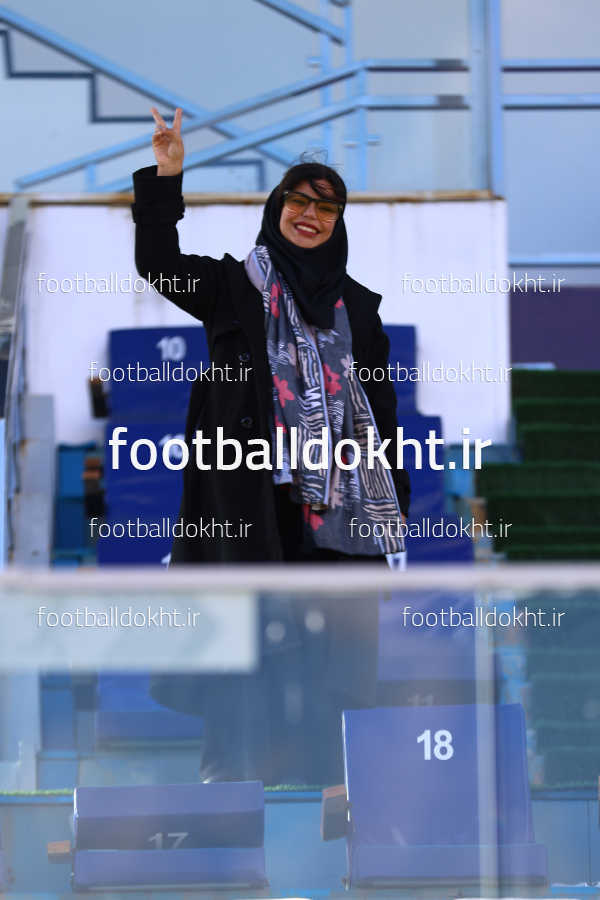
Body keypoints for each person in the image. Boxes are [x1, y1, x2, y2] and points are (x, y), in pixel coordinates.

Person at [132, 108, 411, 783]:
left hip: (338, 507)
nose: (311, 214)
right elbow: (157, 263)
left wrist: (391, 515)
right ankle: (233, 782)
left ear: (338, 221)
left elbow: (382, 415)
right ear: (277, 206)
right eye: (299, 200)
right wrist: (168, 176)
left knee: (326, 655)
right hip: (251, 497)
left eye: (327, 206)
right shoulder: (232, 287)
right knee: (247, 640)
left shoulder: (360, 308)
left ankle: (324, 787)